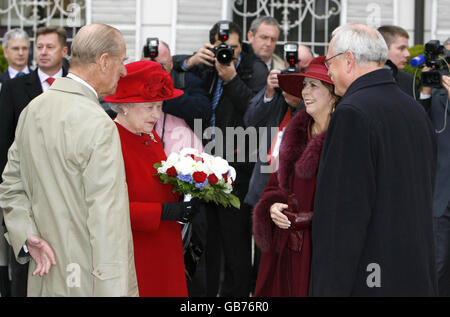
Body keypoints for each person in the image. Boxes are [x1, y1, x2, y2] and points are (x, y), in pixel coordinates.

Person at [0, 23, 138, 297]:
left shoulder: (32, 109)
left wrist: (26, 234)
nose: (123, 71)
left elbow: (10, 185)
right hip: (87, 279)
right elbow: (107, 220)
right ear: (103, 61)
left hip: (44, 273)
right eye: (122, 61)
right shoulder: (100, 124)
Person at [310, 23, 437, 296]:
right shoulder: (414, 110)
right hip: (413, 274)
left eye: (329, 61)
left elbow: (341, 216)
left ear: (348, 60)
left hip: (370, 277)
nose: (328, 71)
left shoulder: (352, 112)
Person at [174, 20, 267, 296]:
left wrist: (232, 79)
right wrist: (189, 62)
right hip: (203, 167)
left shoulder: (255, 69)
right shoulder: (204, 64)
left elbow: (256, 114)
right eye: (221, 46)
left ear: (243, 45)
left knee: (236, 247)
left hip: (238, 169)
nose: (228, 52)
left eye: (234, 47)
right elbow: (172, 73)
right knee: (204, 245)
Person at [104, 60, 204, 297]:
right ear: (124, 106)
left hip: (165, 247)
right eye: (149, 107)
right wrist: (163, 212)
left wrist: (184, 195)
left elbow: (154, 183)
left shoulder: (148, 135)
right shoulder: (110, 140)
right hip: (137, 252)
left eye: (159, 107)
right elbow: (107, 207)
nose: (156, 115)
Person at [252, 56, 339, 296]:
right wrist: (272, 208)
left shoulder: (344, 136)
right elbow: (273, 187)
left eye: (314, 85)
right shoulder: (293, 132)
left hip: (322, 248)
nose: (305, 92)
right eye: (304, 85)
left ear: (333, 92)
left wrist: (308, 218)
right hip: (286, 247)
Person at [0, 26, 69, 297]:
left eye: (49, 47)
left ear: (64, 51)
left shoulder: (75, 89)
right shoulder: (15, 88)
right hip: (26, 193)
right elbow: (3, 140)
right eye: (39, 46)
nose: (42, 52)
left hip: (66, 194)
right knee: (23, 265)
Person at [418, 37, 450, 296]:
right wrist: (425, 93)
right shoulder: (438, 92)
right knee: (435, 265)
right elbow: (418, 131)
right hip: (440, 194)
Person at [378, 25, 417, 98]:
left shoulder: (408, 80)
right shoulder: (365, 78)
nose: (408, 54)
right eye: (401, 48)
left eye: (407, 49)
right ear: (384, 49)